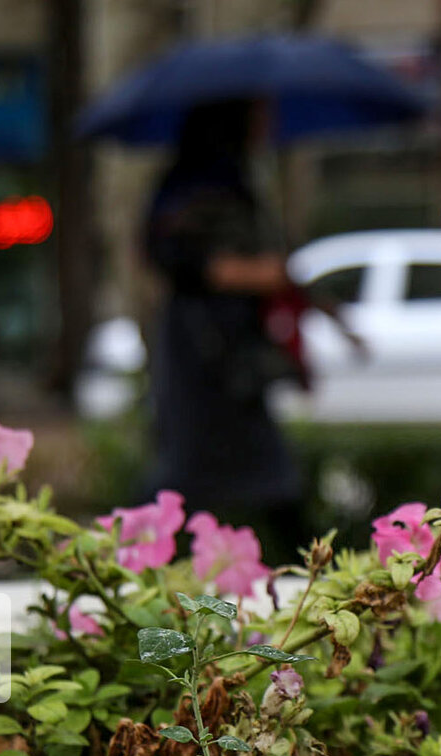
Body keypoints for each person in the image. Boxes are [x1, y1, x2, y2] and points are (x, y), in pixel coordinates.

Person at [142, 98, 303, 543]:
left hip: (233, 344)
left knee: (262, 472)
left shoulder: (237, 177)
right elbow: (173, 257)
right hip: (203, 346)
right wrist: (252, 274)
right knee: (192, 468)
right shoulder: (194, 183)